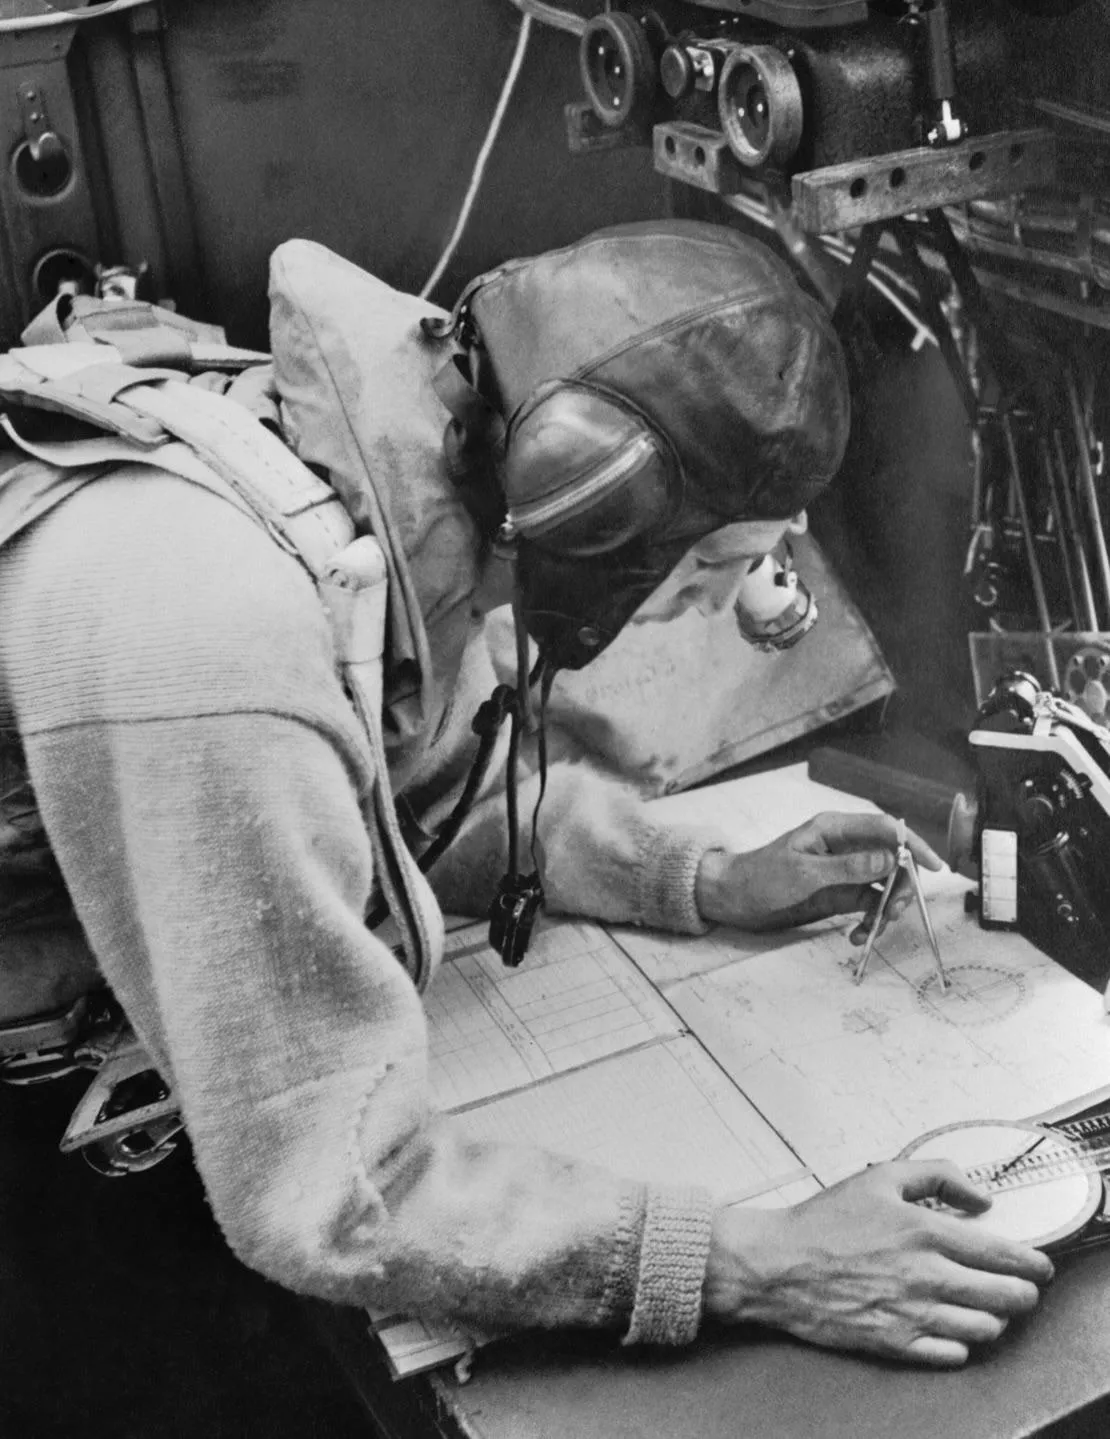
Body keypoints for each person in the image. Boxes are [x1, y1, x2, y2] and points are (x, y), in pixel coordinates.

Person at [0, 220, 1051, 1367]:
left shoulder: (384, 508)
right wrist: (761, 1256)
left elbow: (428, 791)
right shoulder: (215, 631)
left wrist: (701, 876)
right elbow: (338, 1186)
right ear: (579, 509)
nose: (722, 606)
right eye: (708, 567)